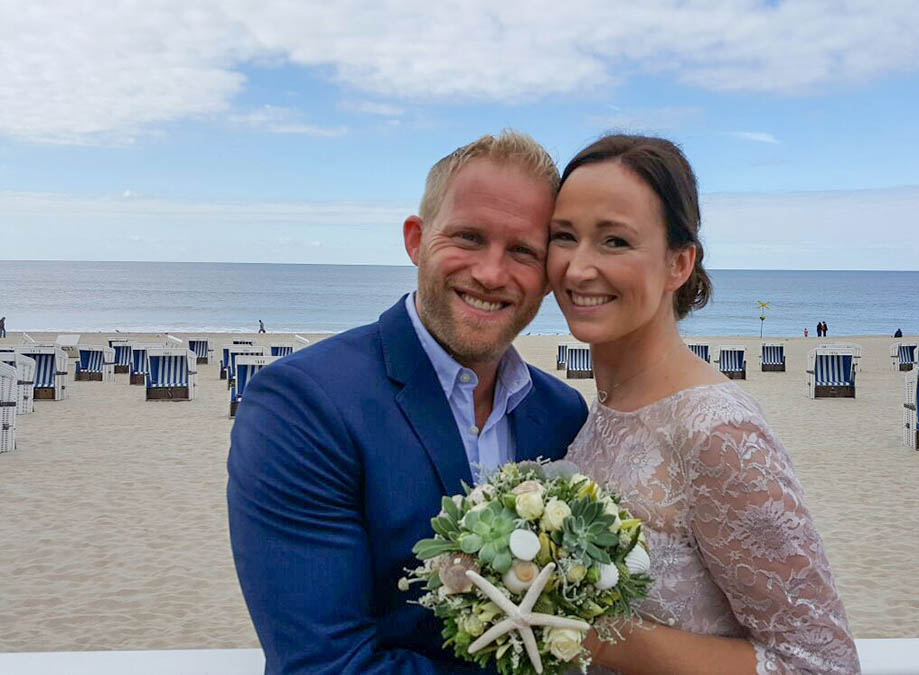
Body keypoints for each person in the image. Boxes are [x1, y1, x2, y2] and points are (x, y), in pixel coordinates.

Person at [226, 131, 588, 674]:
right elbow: (323, 665)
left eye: (522, 250)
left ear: (548, 275)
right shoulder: (302, 404)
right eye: (467, 237)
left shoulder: (562, 413)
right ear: (416, 240)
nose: (490, 273)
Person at [547, 134, 859, 673]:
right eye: (563, 237)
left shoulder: (716, 430)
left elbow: (821, 663)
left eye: (615, 241)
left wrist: (593, 631)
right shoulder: (604, 407)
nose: (577, 269)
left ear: (678, 264)